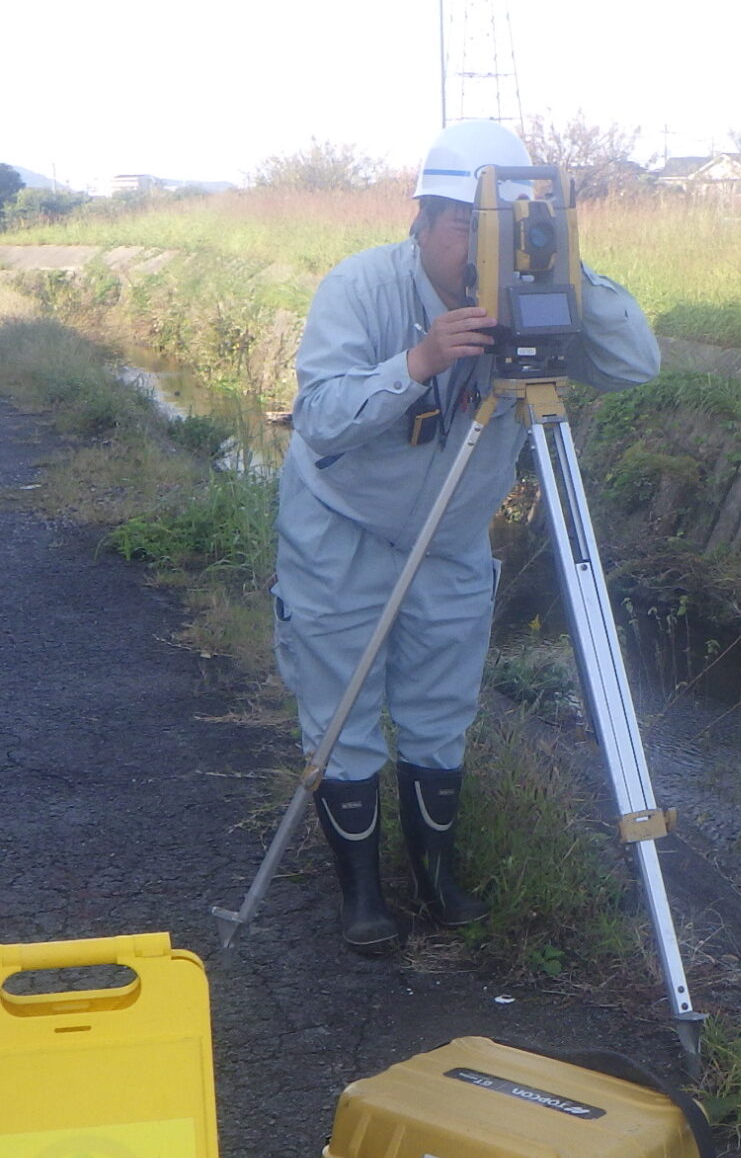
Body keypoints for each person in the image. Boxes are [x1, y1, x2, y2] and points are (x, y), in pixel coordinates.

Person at [277, 119, 660, 952]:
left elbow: (635, 366)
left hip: (450, 538)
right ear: (421, 218)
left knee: (439, 711)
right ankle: (363, 898)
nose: (478, 249)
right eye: (466, 226)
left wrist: (556, 263)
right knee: (341, 713)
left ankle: (438, 880)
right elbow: (320, 419)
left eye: (501, 227)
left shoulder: (532, 293)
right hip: (340, 527)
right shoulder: (360, 288)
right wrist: (417, 363)